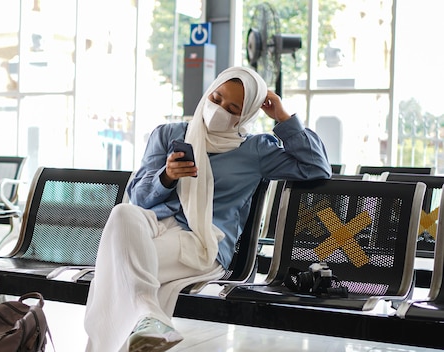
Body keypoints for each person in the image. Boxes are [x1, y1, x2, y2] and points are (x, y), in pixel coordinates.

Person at [83, 66, 332, 352]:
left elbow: (316, 168)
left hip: (202, 242)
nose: (219, 109)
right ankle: (148, 315)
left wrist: (283, 117)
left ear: (247, 114)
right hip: (153, 226)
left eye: (233, 107)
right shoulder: (168, 135)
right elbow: (137, 199)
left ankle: (142, 318)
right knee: (122, 214)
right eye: (216, 97)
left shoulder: (256, 150)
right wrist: (166, 176)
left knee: (116, 265)